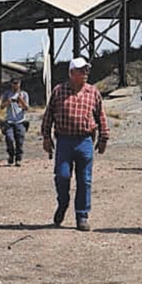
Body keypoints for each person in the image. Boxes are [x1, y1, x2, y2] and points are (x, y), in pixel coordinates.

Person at [41, 57, 109, 232]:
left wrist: (103, 138)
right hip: (64, 141)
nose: (85, 73)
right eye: (80, 70)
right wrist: (46, 138)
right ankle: (63, 203)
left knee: (84, 180)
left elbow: (101, 116)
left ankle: (82, 215)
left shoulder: (93, 92)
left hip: (85, 141)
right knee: (62, 176)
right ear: (71, 73)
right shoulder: (59, 91)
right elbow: (49, 115)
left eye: (86, 70)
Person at [0, 77, 30, 166]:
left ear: (19, 84)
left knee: (19, 141)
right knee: (9, 139)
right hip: (9, 121)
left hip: (20, 121)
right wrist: (8, 102)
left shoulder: (24, 94)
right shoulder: (7, 94)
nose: (15, 85)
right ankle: (11, 156)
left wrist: (20, 101)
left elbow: (27, 108)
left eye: (17, 83)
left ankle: (18, 158)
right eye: (14, 83)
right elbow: (1, 107)